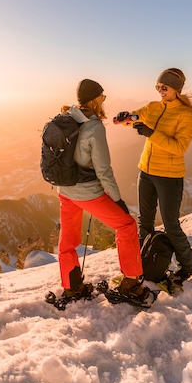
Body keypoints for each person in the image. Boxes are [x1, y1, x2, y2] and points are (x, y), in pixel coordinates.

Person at [56, 78, 152, 304]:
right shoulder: (94, 127)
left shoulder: (66, 117)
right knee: (127, 225)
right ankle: (131, 283)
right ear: (95, 100)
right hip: (87, 192)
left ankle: (72, 287)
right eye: (102, 96)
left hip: (65, 190)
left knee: (67, 242)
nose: (104, 100)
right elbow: (103, 169)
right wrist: (117, 199)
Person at [115, 68, 192, 287]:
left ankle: (188, 266)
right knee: (144, 222)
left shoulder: (185, 115)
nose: (160, 91)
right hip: (145, 171)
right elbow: (135, 118)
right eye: (158, 87)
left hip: (169, 176)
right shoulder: (153, 108)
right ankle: (143, 264)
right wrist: (124, 118)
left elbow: (179, 147)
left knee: (171, 224)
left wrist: (151, 133)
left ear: (176, 89)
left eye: (165, 87)